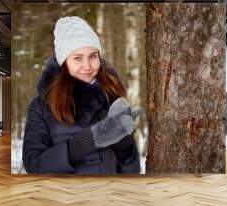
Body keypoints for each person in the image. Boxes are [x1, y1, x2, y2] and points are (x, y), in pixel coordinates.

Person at [22, 16, 142, 174]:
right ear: (64, 61)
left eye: (93, 56)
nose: (87, 66)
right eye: (78, 58)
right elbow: (33, 165)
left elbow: (132, 171)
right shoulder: (42, 105)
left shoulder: (111, 95)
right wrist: (87, 142)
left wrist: (124, 146)